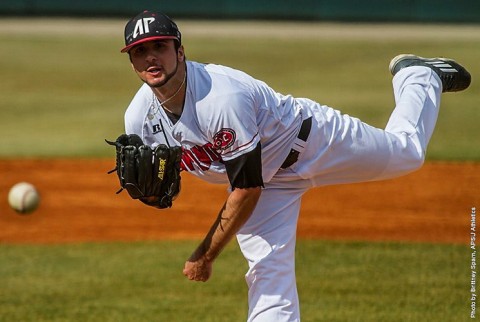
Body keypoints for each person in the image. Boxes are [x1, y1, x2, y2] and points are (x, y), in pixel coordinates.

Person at [118, 10, 471, 322]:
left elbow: (246, 188)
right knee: (268, 276)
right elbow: (161, 185)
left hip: (313, 141)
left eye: (159, 47)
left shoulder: (221, 97)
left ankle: (418, 76)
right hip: (266, 183)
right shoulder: (138, 117)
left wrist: (205, 254)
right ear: (132, 62)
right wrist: (150, 196)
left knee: (406, 153)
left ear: (180, 51)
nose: (151, 58)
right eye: (139, 52)